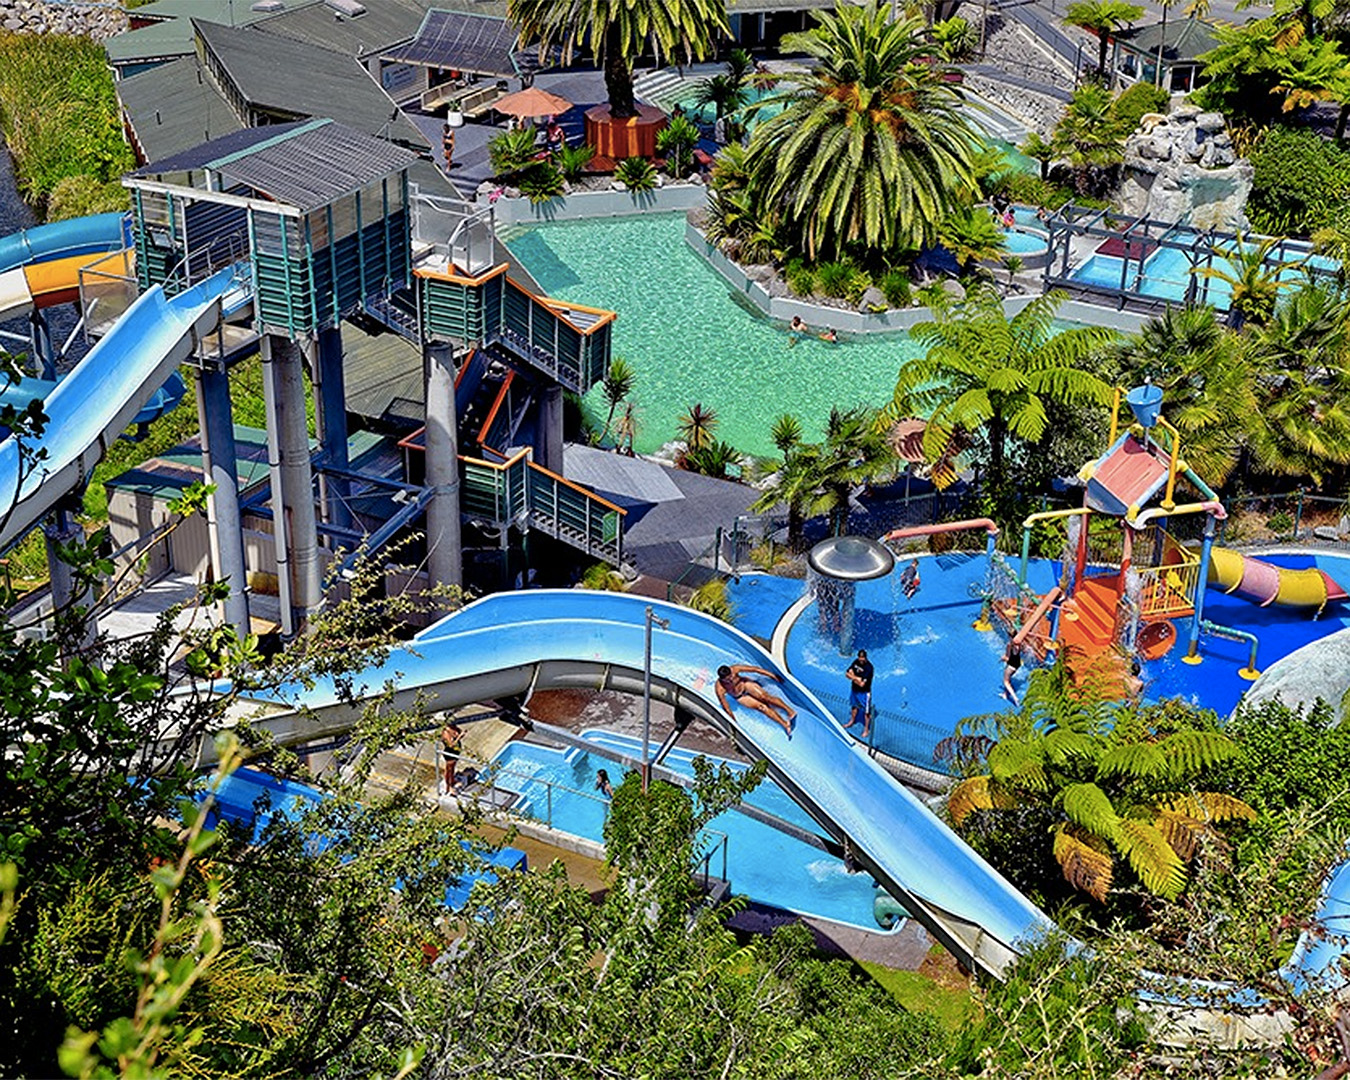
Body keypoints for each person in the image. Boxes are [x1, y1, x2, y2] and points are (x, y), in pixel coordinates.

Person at [715, 664, 796, 736]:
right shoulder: (720, 688)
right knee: (762, 707)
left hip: (745, 685)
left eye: (731, 676)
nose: (731, 680)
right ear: (722, 679)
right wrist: (734, 723)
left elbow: (755, 669)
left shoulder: (735, 669)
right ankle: (785, 724)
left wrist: (772, 675)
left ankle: (790, 711)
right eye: (727, 680)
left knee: (765, 697)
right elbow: (726, 707)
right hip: (740, 697)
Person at [842, 649, 874, 737]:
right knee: (853, 706)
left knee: (866, 712)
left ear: (865, 658)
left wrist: (852, 677)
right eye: (860, 658)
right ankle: (852, 721)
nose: (861, 660)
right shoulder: (855, 662)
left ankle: (866, 729)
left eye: (862, 658)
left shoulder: (869, 668)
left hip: (864, 693)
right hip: (854, 690)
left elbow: (862, 684)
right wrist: (857, 678)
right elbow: (846, 674)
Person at [440, 722, 464, 792]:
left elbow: (458, 733)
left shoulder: (454, 728)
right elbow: (451, 745)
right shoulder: (446, 732)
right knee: (448, 770)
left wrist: (459, 734)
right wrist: (459, 737)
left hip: (455, 752)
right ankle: (448, 786)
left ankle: (452, 780)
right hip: (450, 753)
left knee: (453, 768)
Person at [1001, 640, 1022, 706]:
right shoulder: (1019, 646)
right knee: (1009, 678)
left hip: (1011, 666)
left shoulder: (1009, 646)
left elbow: (1007, 658)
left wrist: (1003, 658)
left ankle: (1015, 698)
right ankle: (1005, 693)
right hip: (1017, 665)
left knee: (1006, 681)